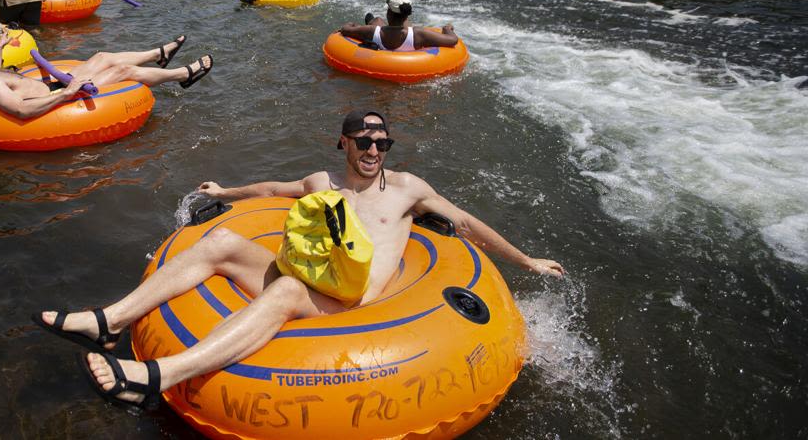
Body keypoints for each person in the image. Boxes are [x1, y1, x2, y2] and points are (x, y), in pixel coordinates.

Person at [34, 110, 564, 409]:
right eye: (363, 139)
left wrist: (526, 261)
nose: (374, 149)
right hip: (313, 275)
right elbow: (271, 187)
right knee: (219, 244)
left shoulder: (407, 190)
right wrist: (227, 189)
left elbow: (467, 223)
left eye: (381, 141)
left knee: (285, 291)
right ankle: (110, 321)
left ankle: (156, 376)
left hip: (354, 301)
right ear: (343, 143)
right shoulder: (321, 181)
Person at [0, 24, 212, 119]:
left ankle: (160, 54)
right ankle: (183, 75)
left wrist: (0, 45)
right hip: (59, 97)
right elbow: (20, 111)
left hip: (53, 88)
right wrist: (67, 93)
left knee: (102, 56)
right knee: (123, 70)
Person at [338, 0, 459, 51]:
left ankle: (371, 19)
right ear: (406, 16)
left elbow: (345, 29)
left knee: (377, 21)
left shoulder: (370, 31)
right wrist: (447, 28)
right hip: (407, 38)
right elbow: (452, 40)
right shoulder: (419, 34)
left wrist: (354, 25)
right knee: (380, 22)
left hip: (379, 34)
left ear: (389, 13)